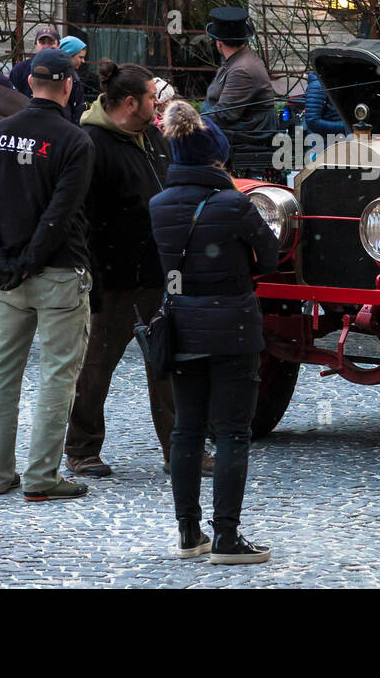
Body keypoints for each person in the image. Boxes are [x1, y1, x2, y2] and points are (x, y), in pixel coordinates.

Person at [150, 100, 280, 563]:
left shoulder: (159, 205)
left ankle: (188, 533)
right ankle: (226, 537)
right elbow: (270, 257)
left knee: (187, 430)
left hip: (183, 324)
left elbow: (163, 268)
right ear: (217, 160)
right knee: (232, 433)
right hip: (234, 328)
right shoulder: (234, 204)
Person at [0, 47, 94, 501]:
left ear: (28, 83)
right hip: (57, 273)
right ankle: (42, 476)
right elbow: (61, 213)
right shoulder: (75, 140)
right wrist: (28, 261)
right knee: (58, 374)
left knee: (3, 373)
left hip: (10, 280)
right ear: (67, 86)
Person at [65, 60, 192, 478]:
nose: (160, 105)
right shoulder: (91, 143)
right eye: (154, 97)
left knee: (166, 360)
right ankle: (81, 449)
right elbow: (79, 215)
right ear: (131, 101)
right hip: (112, 274)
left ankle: (179, 449)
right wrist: (92, 274)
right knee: (99, 362)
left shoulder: (153, 138)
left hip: (157, 270)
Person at [199, 7, 277, 147]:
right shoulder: (238, 60)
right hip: (241, 128)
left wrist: (189, 123)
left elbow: (225, 114)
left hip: (248, 134)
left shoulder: (241, 69)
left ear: (219, 43)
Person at [10, 24, 61, 97]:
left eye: (51, 42)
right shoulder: (20, 70)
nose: (46, 46)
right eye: (42, 42)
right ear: (35, 45)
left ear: (58, 45)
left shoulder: (65, 70)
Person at [303, 71, 347, 137]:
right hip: (323, 143)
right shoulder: (317, 86)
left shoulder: (337, 82)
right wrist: (347, 127)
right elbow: (313, 122)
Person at [58, 36, 89, 121]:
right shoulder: (69, 77)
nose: (83, 61)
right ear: (69, 55)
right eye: (80, 57)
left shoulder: (73, 76)